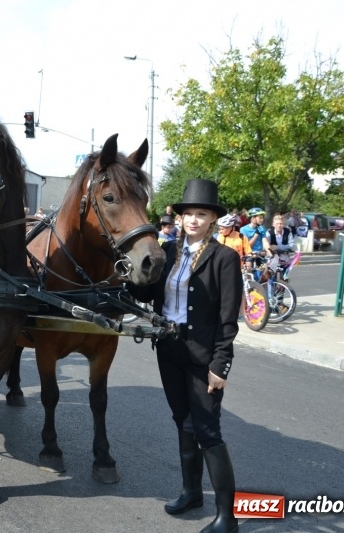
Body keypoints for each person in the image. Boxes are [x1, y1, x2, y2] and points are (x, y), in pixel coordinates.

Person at [133, 179, 243, 533]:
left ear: (213, 219)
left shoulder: (224, 258)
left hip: (203, 357)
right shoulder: (167, 250)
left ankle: (227, 517)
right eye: (188, 214)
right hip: (169, 349)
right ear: (179, 218)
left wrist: (219, 365)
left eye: (201, 214)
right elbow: (150, 292)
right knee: (183, 421)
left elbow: (228, 319)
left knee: (209, 431)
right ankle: (191, 492)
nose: (193, 219)